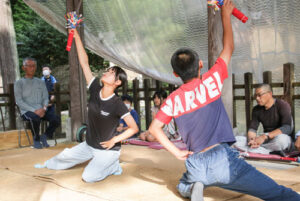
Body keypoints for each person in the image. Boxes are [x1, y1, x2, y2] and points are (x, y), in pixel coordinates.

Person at [148, 0, 300, 200]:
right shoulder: (211, 82)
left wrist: (177, 153)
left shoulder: (173, 100)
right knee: (277, 193)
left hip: (195, 162)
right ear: (201, 65)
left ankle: (195, 183)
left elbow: (153, 129)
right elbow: (228, 47)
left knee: (184, 184)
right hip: (223, 160)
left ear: (176, 73)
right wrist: (225, 15)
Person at [39, 28, 139, 183]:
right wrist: (76, 34)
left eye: (111, 73)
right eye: (107, 70)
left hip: (107, 150)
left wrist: (115, 140)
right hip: (89, 144)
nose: (106, 72)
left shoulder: (117, 104)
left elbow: (134, 128)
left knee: (88, 177)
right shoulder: (94, 89)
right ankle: (50, 163)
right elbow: (84, 62)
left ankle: (113, 166)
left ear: (118, 82)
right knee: (60, 159)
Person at [14, 58, 61, 149]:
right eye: (29, 66)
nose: (32, 68)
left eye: (34, 66)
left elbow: (44, 97)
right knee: (35, 117)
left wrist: (44, 107)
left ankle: (45, 136)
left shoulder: (40, 82)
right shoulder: (19, 83)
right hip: (27, 111)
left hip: (41, 109)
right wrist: (34, 110)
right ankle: (36, 138)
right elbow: (19, 101)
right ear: (24, 68)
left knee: (56, 119)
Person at [245, 84, 293, 155]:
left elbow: (287, 128)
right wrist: (252, 141)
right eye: (256, 96)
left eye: (259, 95)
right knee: (238, 140)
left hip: (278, 138)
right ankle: (263, 150)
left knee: (282, 140)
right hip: (266, 142)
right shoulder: (256, 109)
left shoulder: (282, 105)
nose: (257, 98)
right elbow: (252, 129)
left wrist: (265, 136)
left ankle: (261, 150)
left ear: (270, 94)